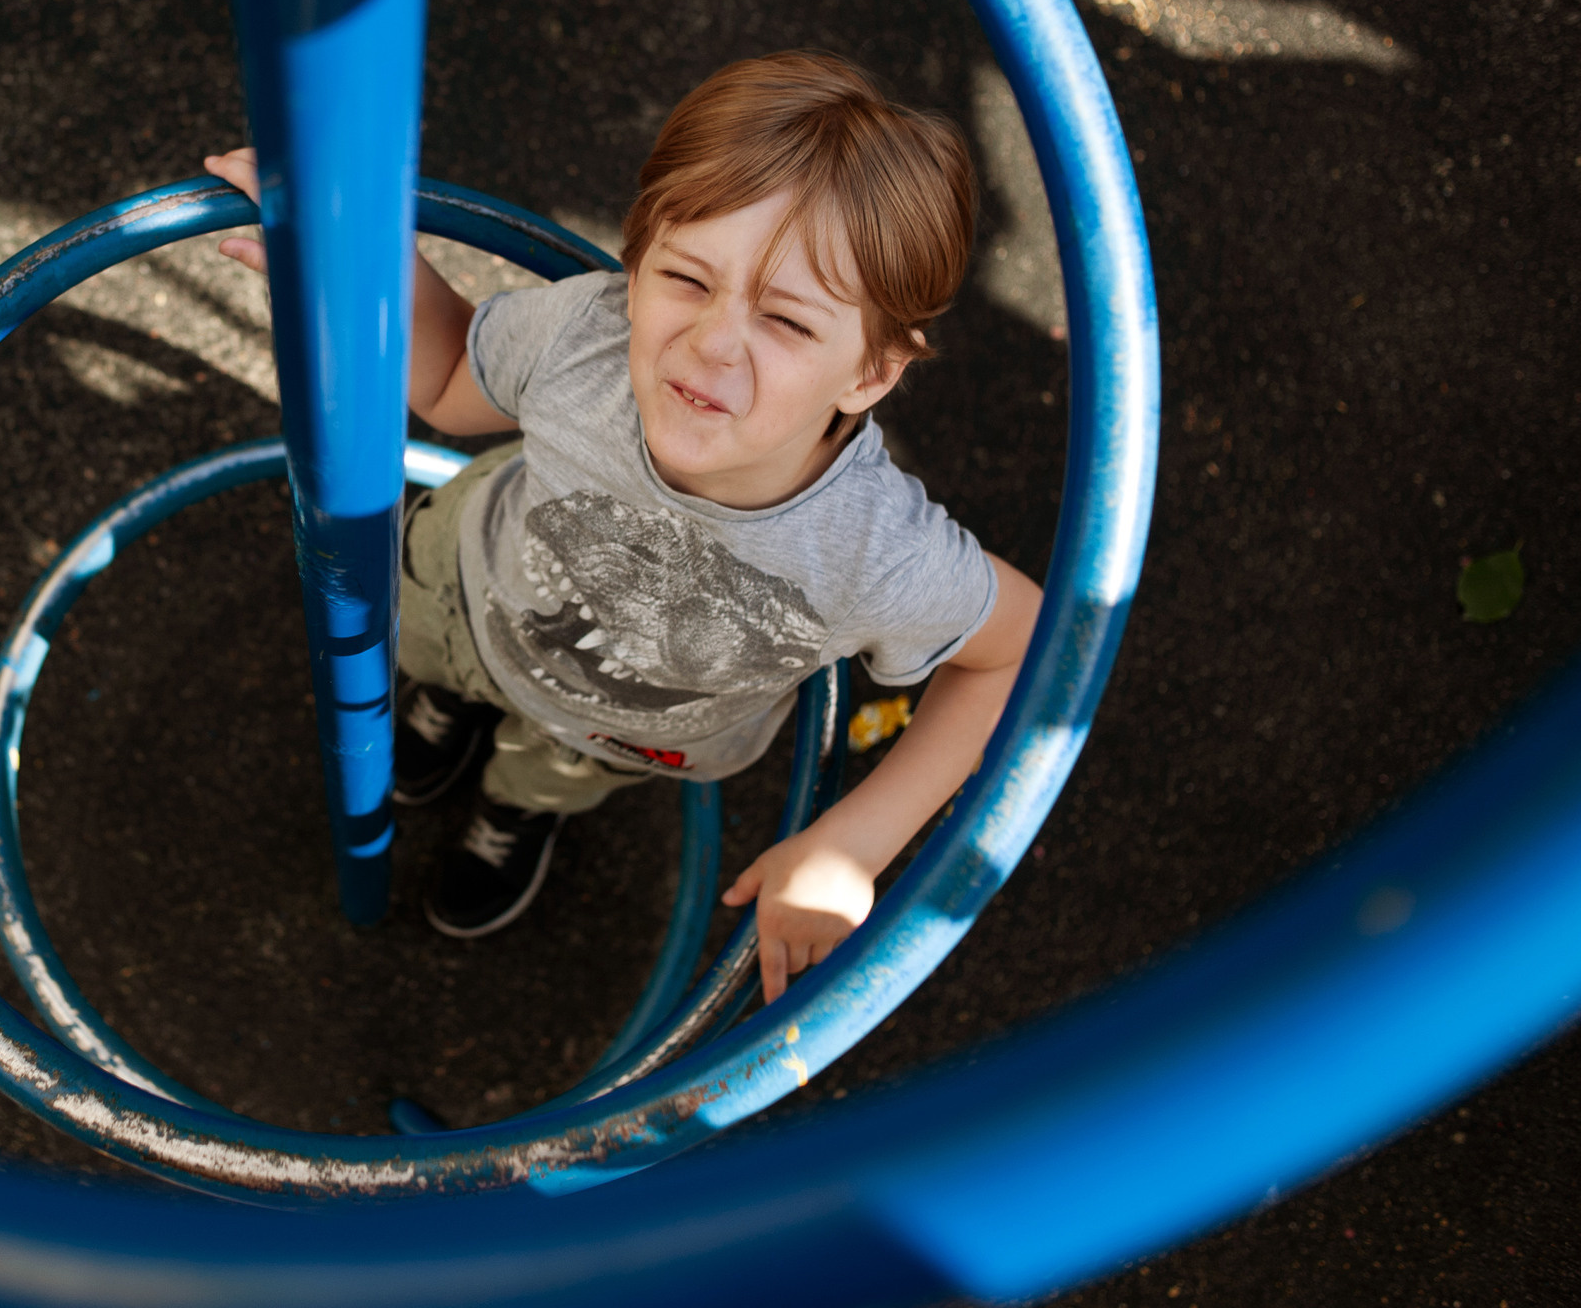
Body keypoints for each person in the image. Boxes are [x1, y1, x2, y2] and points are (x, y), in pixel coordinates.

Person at [204, 50, 1041, 1002]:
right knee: (431, 661)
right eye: (685, 278)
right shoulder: (583, 342)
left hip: (616, 733)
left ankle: (516, 810)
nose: (711, 342)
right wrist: (357, 268)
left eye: (787, 322)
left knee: (549, 772)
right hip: (467, 594)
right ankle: (447, 706)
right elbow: (446, 383)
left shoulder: (875, 554)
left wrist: (854, 843)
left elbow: (1016, 652)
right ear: (636, 267)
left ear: (870, 373)